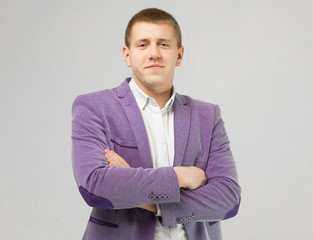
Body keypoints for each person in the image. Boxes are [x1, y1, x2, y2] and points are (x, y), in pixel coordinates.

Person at [72, 8, 241, 240]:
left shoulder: (207, 116)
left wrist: (146, 198)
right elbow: (95, 186)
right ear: (127, 54)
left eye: (163, 44)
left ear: (178, 55)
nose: (154, 53)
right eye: (142, 44)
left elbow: (228, 199)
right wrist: (181, 176)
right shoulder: (94, 107)